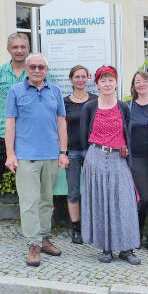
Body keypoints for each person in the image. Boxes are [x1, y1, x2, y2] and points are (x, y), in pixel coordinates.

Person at [4, 53, 69, 267]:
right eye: (33, 66)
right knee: (29, 202)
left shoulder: (56, 92)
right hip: (26, 156)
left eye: (41, 67)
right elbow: (10, 124)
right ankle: (33, 244)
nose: (37, 70)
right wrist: (10, 154)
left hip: (51, 154)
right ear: (27, 69)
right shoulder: (16, 91)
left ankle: (44, 237)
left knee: (46, 201)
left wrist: (63, 152)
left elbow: (61, 123)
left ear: (47, 70)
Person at [80, 66, 141, 264]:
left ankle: (126, 248)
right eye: (103, 80)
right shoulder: (89, 107)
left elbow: (128, 133)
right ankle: (105, 247)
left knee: (124, 202)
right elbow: (83, 136)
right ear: (97, 84)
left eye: (111, 80)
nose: (107, 84)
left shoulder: (123, 107)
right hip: (96, 157)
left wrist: (126, 147)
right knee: (100, 202)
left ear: (116, 83)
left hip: (118, 159)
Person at [0, 33, 29, 236]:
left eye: (23, 46)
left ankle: (35, 230)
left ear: (27, 48)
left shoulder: (36, 72)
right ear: (9, 49)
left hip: (28, 137)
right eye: (15, 47)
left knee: (30, 184)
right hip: (2, 135)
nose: (19, 50)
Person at [127, 71, 148, 250]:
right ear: (133, 86)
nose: (140, 84)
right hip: (137, 157)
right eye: (137, 82)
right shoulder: (128, 106)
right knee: (145, 197)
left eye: (143, 81)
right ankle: (137, 232)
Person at [63, 65, 96, 245]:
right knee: (74, 191)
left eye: (84, 76)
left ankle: (91, 226)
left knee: (93, 190)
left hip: (93, 151)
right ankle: (76, 228)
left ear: (88, 78)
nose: (81, 80)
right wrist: (62, 152)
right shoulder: (64, 102)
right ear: (71, 79)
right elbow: (59, 128)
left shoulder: (95, 100)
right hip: (73, 151)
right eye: (77, 76)